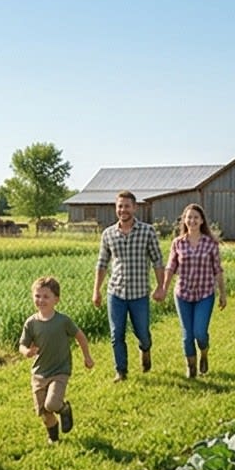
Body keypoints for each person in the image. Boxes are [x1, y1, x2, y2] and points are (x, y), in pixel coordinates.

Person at [92, 190, 165, 381]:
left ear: (134, 208)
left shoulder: (147, 231)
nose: (122, 210)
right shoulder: (108, 234)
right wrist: (96, 291)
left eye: (126, 206)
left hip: (139, 294)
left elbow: (157, 261)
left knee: (143, 333)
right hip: (116, 293)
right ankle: (121, 371)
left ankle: (145, 349)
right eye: (119, 206)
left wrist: (161, 287)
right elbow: (102, 263)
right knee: (117, 334)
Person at [19, 276, 94, 443]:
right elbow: (22, 345)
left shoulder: (63, 321)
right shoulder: (31, 323)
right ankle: (54, 438)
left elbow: (80, 336)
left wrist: (87, 357)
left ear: (56, 300)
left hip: (60, 370)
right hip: (39, 373)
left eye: (46, 296)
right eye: (37, 296)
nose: (41, 300)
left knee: (52, 404)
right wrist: (27, 352)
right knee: (44, 412)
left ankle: (64, 408)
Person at [161, 203, 227, 378]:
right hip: (183, 294)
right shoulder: (177, 243)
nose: (192, 220)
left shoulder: (210, 243)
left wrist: (223, 294)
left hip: (205, 294)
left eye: (196, 217)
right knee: (187, 335)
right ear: (184, 220)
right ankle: (191, 368)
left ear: (202, 220)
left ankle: (204, 352)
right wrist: (164, 288)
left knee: (200, 333)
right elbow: (170, 267)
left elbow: (218, 270)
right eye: (189, 217)